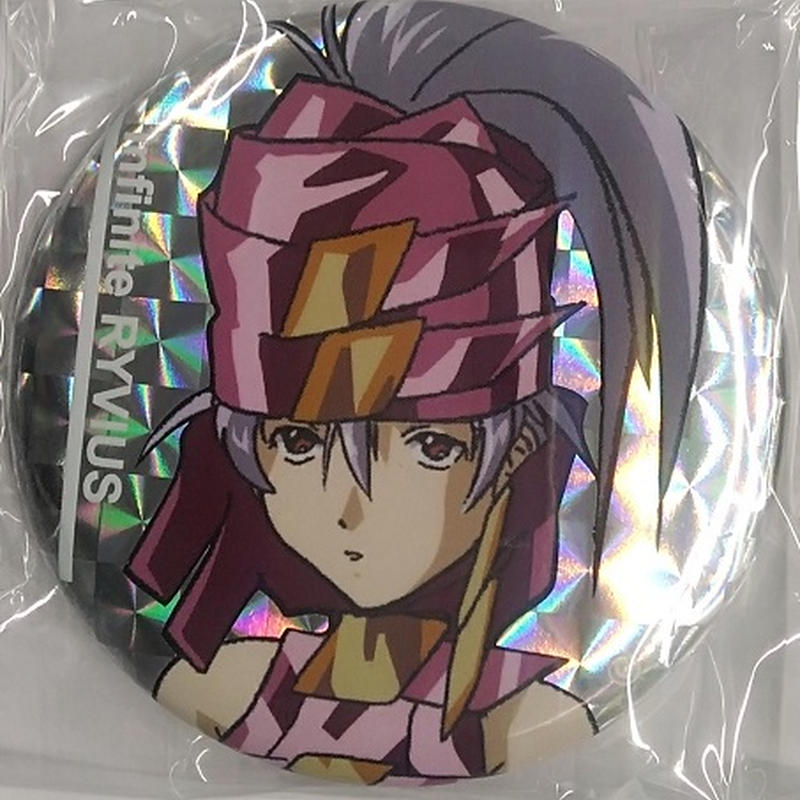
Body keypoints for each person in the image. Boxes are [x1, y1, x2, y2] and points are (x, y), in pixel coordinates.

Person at [126, 1, 707, 784]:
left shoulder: (531, 717)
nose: (350, 507)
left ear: (514, 453)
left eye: (430, 446)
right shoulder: (220, 686)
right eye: (296, 441)